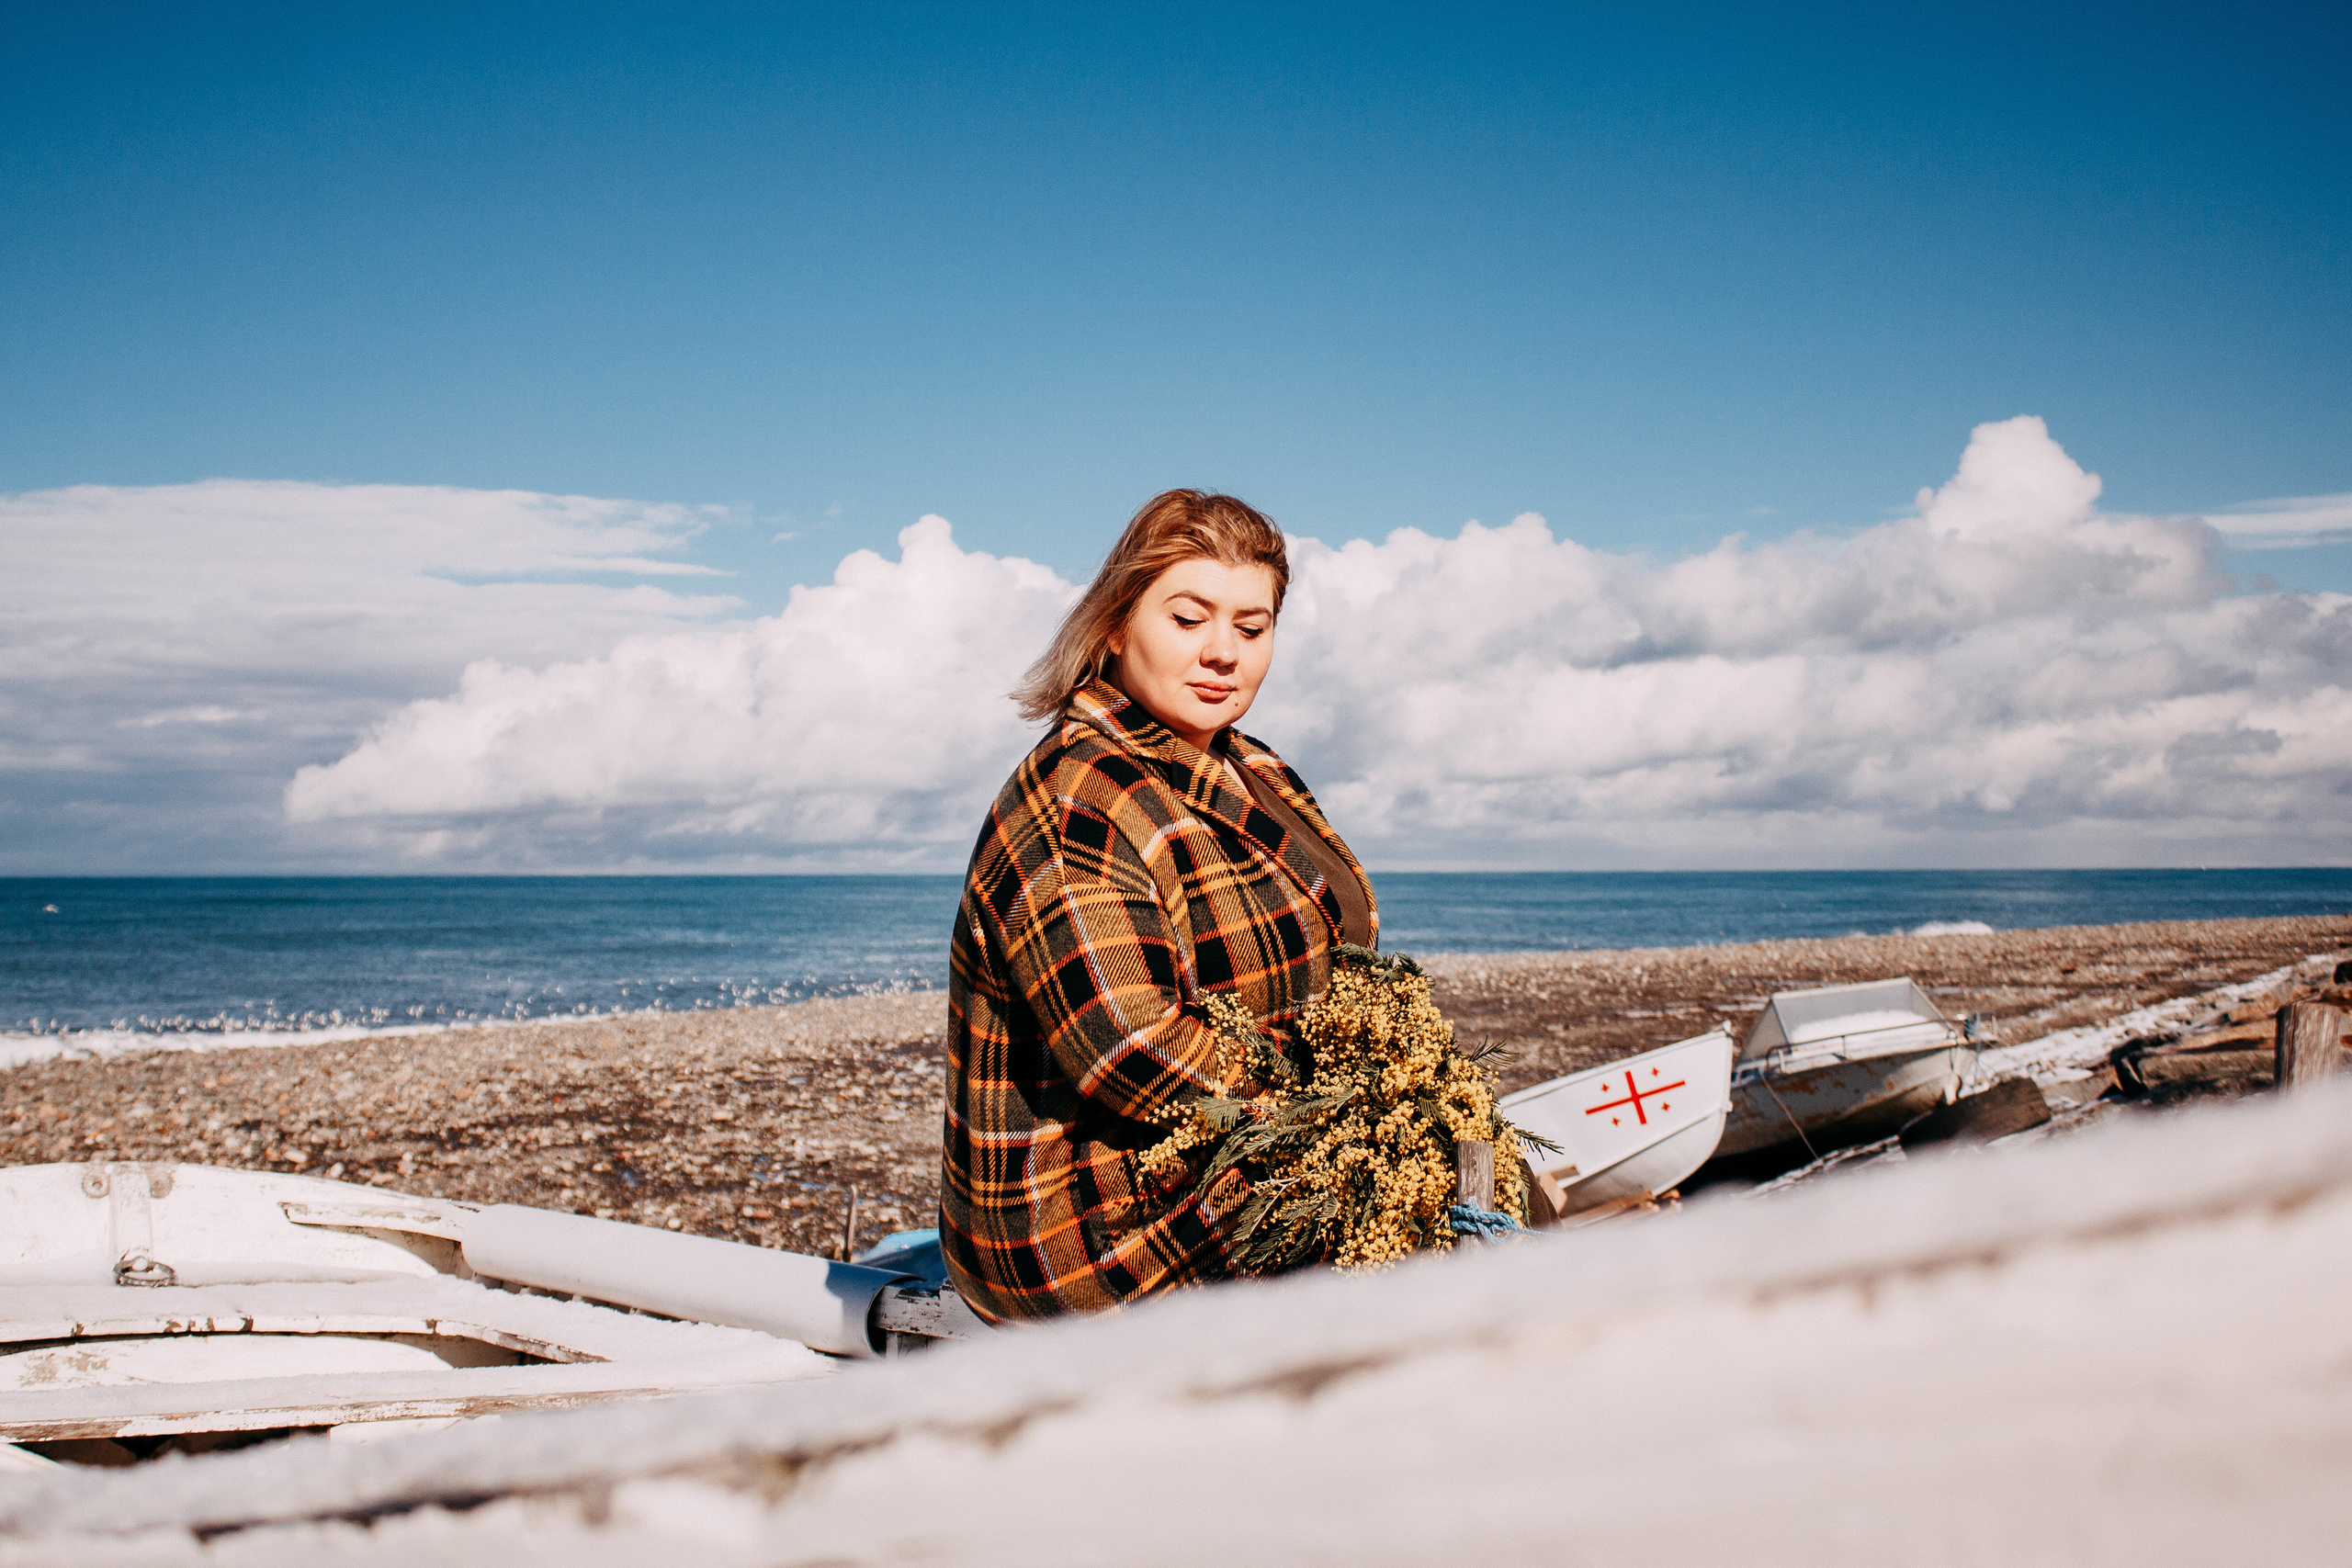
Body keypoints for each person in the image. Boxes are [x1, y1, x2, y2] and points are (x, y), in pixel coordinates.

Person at [939, 490, 1378, 1322]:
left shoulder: (1250, 764)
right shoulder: (1079, 796)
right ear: (1113, 624)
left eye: (1252, 629)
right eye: (1188, 619)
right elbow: (1134, 1054)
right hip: (1083, 1231)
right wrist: (1344, 1100)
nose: (1224, 652)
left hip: (1232, 1146)